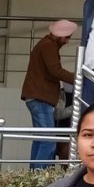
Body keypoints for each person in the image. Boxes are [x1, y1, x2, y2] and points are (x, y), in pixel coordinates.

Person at [21, 19, 78, 169]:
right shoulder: (48, 46)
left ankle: (34, 175)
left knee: (41, 139)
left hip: (36, 97)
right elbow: (55, 70)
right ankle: (40, 175)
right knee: (48, 140)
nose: (67, 41)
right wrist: (79, 78)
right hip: (41, 98)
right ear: (60, 35)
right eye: (67, 37)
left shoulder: (45, 44)